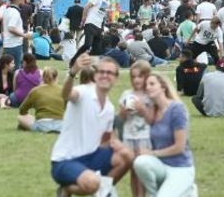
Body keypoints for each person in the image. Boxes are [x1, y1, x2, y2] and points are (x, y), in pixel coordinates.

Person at [50, 54, 133, 197]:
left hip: (91, 157)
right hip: (65, 160)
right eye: (102, 72)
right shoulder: (83, 92)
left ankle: (103, 192)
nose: (105, 75)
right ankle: (68, 188)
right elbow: (66, 93)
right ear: (95, 76)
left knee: (127, 156)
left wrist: (125, 148)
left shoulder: (109, 108)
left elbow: (106, 140)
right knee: (92, 183)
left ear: (116, 79)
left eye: (110, 73)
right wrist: (72, 72)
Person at [132, 74, 197, 197]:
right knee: (140, 162)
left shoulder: (177, 109)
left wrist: (152, 153)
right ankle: (153, 193)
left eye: (152, 84)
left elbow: (179, 147)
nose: (148, 87)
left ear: (163, 87)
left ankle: (187, 188)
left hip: (180, 168)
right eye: (146, 85)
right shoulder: (153, 110)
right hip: (161, 166)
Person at [118, 61, 154, 197]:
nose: (136, 80)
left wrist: (142, 109)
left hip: (145, 138)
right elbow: (121, 118)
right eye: (133, 77)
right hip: (129, 138)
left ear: (147, 77)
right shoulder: (127, 94)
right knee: (133, 171)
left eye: (140, 76)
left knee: (143, 171)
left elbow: (153, 119)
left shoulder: (150, 96)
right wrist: (123, 112)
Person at [72, 0, 118, 64]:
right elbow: (86, 7)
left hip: (99, 27)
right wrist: (83, 19)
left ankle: (91, 65)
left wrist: (102, 28)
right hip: (90, 23)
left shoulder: (107, 2)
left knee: (97, 50)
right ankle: (73, 61)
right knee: (87, 45)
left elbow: (102, 16)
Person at [17, 67, 65, 133]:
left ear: (42, 77)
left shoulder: (36, 90)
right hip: (61, 125)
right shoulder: (63, 90)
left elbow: (22, 110)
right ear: (56, 77)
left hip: (42, 126)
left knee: (21, 117)